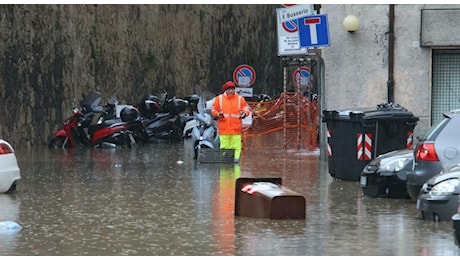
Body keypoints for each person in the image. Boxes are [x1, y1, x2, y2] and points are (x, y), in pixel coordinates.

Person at [211, 81, 251, 163]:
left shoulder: (240, 99)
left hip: (235, 128)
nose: (231, 91)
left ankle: (236, 161)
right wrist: (217, 114)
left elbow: (246, 108)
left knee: (236, 146)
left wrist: (245, 113)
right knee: (224, 146)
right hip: (224, 128)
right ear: (225, 90)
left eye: (232, 89)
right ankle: (225, 161)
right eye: (229, 89)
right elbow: (213, 109)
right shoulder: (219, 99)